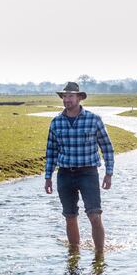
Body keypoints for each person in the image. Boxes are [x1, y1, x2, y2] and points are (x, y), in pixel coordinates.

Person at [44, 82, 114, 254]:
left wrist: (109, 173)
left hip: (88, 173)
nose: (67, 100)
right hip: (65, 174)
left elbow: (107, 147)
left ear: (79, 97)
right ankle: (73, 256)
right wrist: (48, 177)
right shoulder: (56, 123)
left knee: (94, 215)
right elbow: (51, 151)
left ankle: (99, 256)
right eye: (64, 96)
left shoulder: (93, 119)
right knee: (69, 216)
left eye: (70, 96)